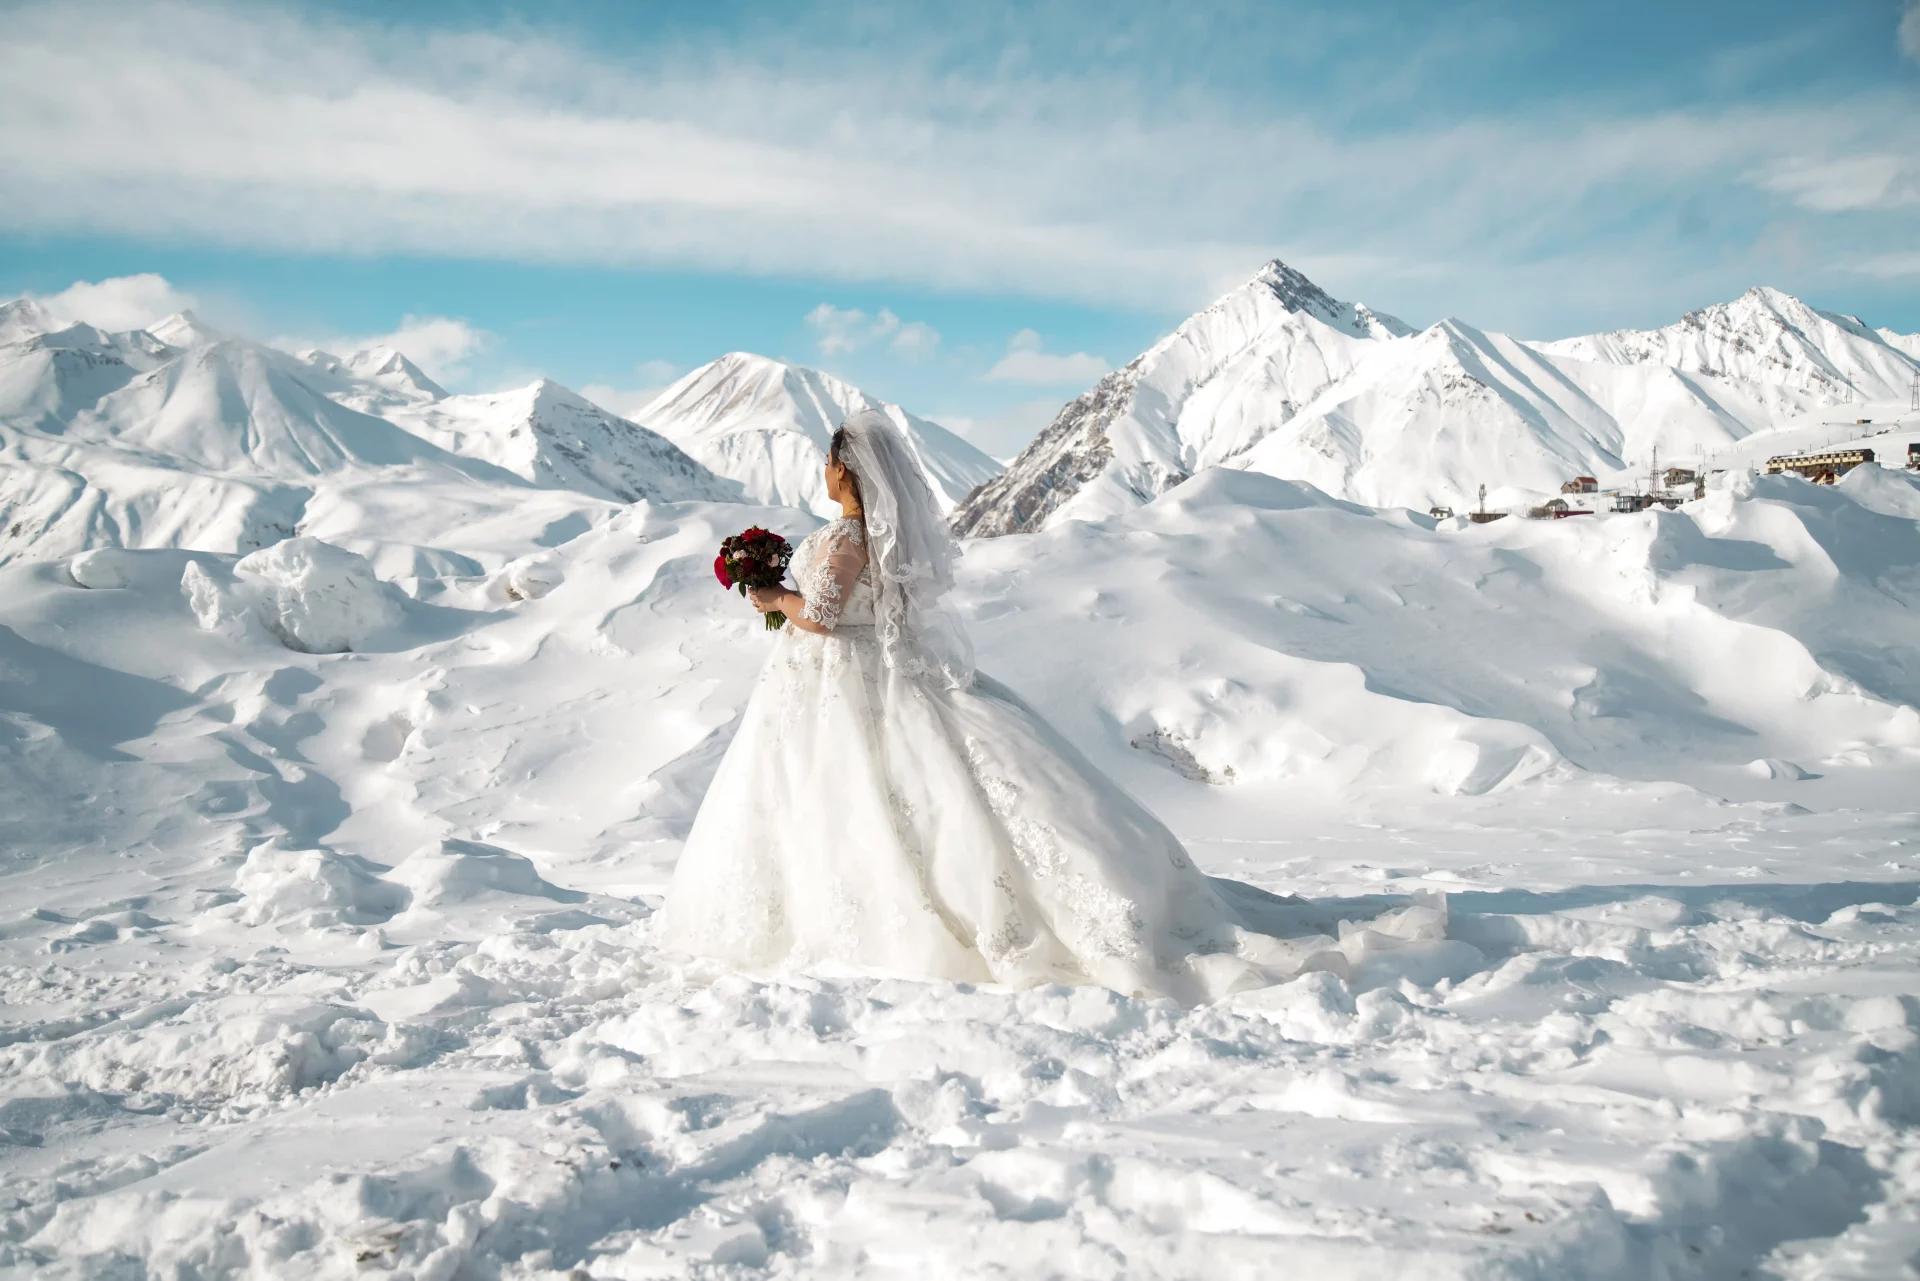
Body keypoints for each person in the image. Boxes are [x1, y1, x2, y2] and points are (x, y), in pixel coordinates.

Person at [658, 410, 1349, 1001]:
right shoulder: (870, 538)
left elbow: (825, 615)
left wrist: (773, 597)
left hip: (841, 678)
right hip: (847, 677)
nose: (825, 471)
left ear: (848, 471)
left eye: (830, 461)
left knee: (854, 794)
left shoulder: (846, 537)